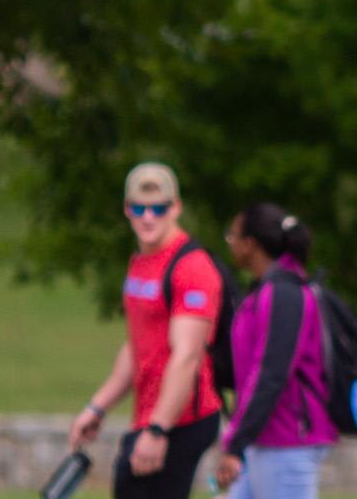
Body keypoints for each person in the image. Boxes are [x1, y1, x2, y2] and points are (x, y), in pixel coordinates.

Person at [68, 162, 224, 499]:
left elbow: (187, 357)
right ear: (127, 209)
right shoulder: (140, 262)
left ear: (176, 207)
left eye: (159, 208)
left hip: (183, 418)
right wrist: (97, 407)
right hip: (152, 416)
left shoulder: (192, 268)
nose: (148, 217)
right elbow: (138, 346)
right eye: (139, 208)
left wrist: (158, 431)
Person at [213, 203, 337, 499]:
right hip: (264, 439)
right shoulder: (265, 290)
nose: (229, 242)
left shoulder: (284, 294)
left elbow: (270, 373)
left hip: (287, 442)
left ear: (251, 244)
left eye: (232, 236)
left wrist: (236, 442)